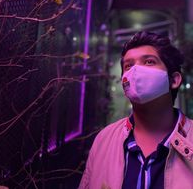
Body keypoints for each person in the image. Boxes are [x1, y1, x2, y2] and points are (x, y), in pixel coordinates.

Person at [78, 31, 193, 189]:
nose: (136, 72)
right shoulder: (104, 140)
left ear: (174, 80)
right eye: (128, 65)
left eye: (149, 62)